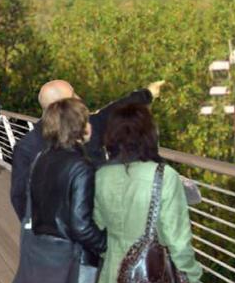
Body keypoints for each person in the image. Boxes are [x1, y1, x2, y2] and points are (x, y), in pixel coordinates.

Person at [93, 102, 201, 283]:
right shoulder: (165, 176)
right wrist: (191, 279)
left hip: (115, 278)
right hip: (155, 280)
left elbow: (98, 226)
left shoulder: (102, 176)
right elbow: (178, 241)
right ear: (149, 134)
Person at [18, 97, 106, 283]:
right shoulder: (82, 167)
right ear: (79, 126)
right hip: (74, 262)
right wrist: (107, 243)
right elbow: (81, 226)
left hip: (44, 256)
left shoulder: (41, 160)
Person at [11, 80, 164, 222]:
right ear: (62, 106)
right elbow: (20, 197)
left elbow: (114, 111)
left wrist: (147, 94)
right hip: (74, 234)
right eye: (73, 95)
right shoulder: (28, 148)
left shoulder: (28, 146)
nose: (79, 97)